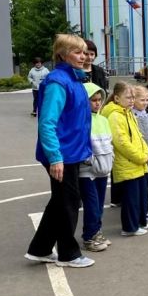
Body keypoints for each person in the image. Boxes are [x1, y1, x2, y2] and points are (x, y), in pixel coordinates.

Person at [26, 34, 95, 268]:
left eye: (84, 52)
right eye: (77, 52)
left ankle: (40, 249)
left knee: (60, 201)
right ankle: (68, 254)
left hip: (70, 152)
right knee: (68, 202)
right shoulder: (58, 81)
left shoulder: (73, 79)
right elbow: (47, 122)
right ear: (62, 54)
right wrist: (55, 157)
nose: (83, 56)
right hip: (62, 154)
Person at [102, 82, 148, 236]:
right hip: (128, 163)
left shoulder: (127, 112)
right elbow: (121, 142)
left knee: (138, 196)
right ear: (116, 98)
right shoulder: (115, 115)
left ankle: (137, 223)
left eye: (133, 97)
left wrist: (146, 152)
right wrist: (141, 156)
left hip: (137, 162)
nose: (131, 100)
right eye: (128, 97)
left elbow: (138, 135)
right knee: (131, 198)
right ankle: (129, 228)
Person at [78, 83, 113, 253]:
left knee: (99, 204)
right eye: (93, 100)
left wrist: (109, 160)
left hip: (103, 169)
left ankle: (97, 232)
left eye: (99, 100)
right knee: (91, 204)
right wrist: (89, 161)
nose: (97, 103)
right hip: (87, 171)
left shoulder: (103, 120)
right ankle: (89, 237)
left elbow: (109, 143)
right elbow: (80, 145)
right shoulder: (80, 120)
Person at [132, 85, 148, 218]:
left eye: (147, 100)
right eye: (142, 100)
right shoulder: (131, 116)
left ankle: (145, 205)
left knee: (147, 183)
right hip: (137, 156)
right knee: (138, 185)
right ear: (133, 99)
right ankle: (139, 209)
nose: (146, 102)